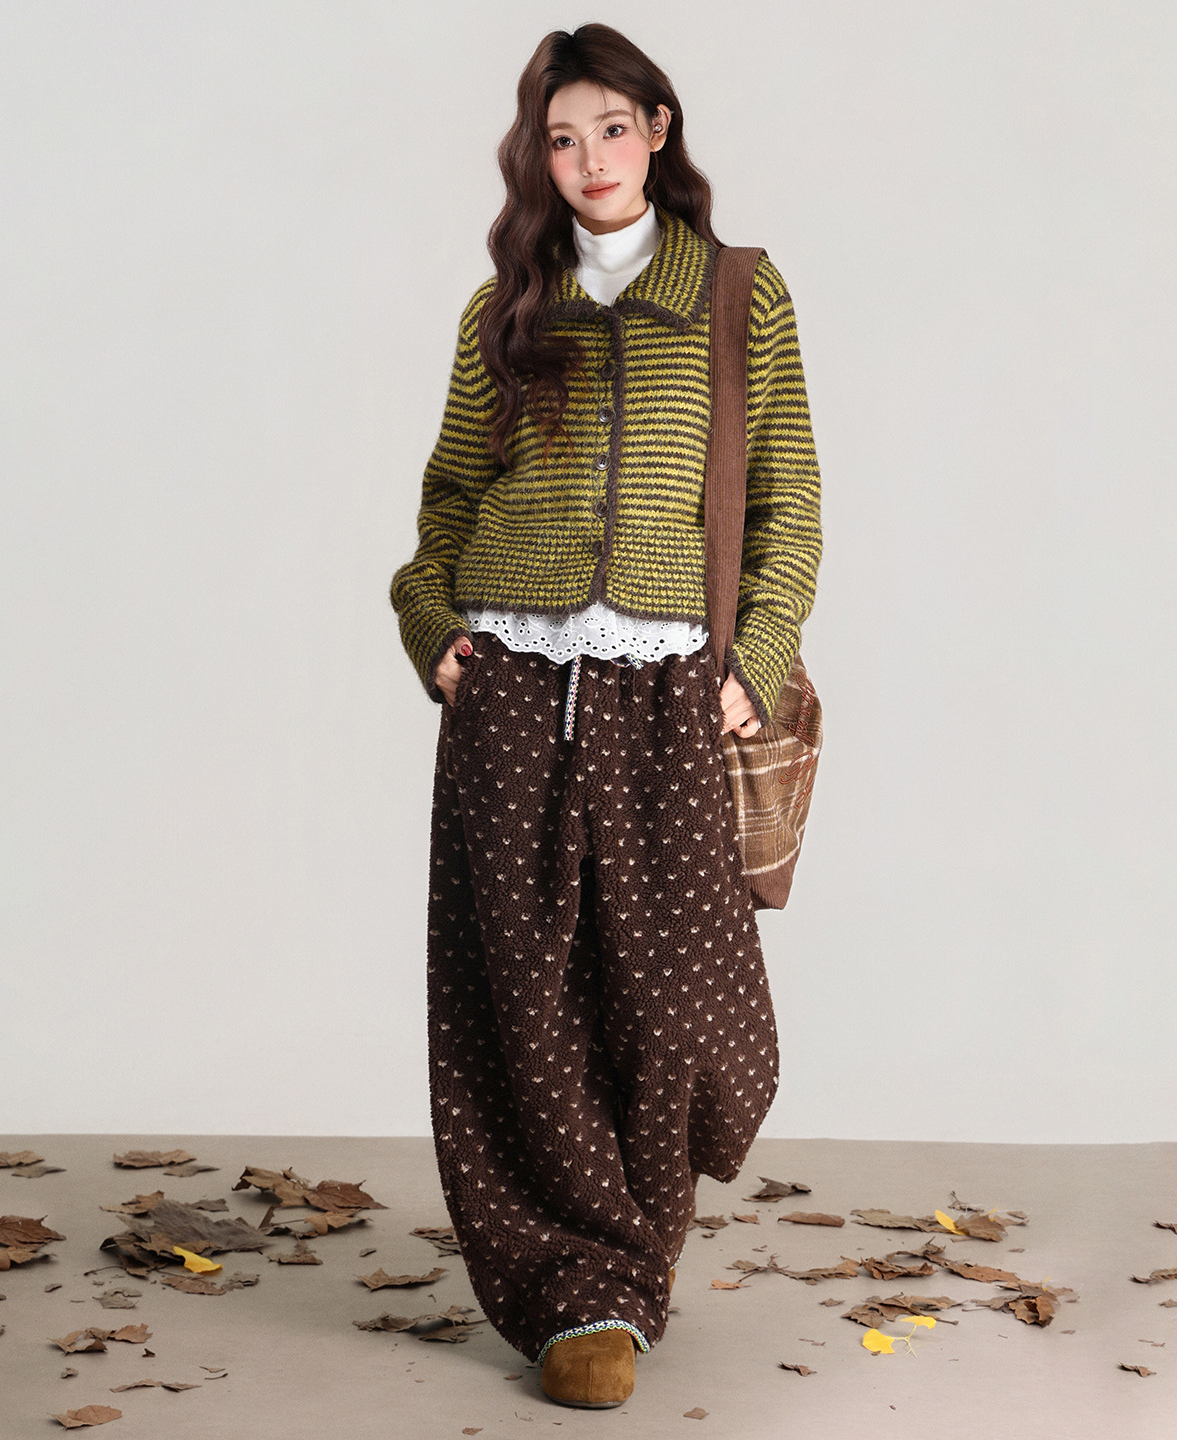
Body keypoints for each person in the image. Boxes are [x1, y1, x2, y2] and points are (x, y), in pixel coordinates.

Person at [388, 22, 822, 1409]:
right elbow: (449, 499)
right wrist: (434, 634)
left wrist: (755, 656)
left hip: (669, 681)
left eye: (611, 130)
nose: (588, 161)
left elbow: (789, 500)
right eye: (560, 139)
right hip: (510, 676)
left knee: (671, 998)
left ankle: (628, 1243)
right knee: (518, 990)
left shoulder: (738, 294)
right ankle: (582, 1292)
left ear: (658, 128)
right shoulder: (505, 305)